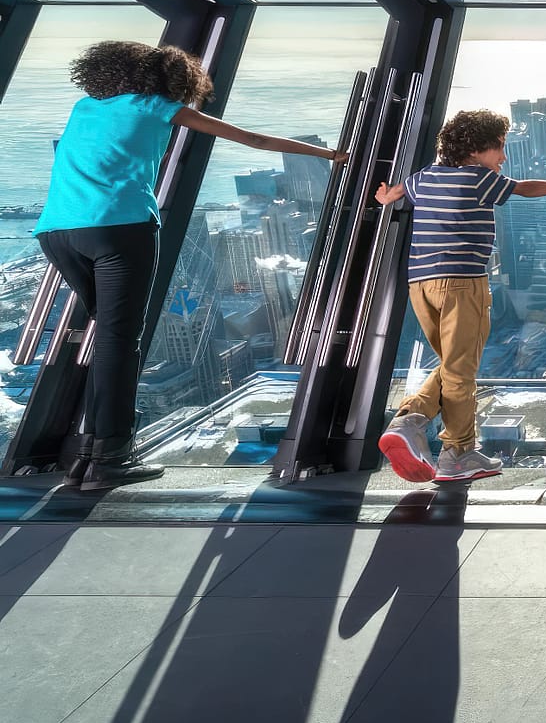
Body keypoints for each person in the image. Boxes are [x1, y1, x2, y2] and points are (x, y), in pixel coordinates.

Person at [35, 40, 346, 492]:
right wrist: (328, 155)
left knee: (108, 337)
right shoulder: (157, 106)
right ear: (173, 81)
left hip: (57, 233)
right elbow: (251, 138)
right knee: (119, 342)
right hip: (118, 228)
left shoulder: (85, 107)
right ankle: (109, 457)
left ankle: (87, 455)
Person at [376, 110, 546, 483]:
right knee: (461, 373)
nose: (503, 158)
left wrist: (384, 196)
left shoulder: (423, 178)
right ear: (475, 150)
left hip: (421, 286)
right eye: (499, 148)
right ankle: (456, 452)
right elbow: (522, 188)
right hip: (461, 284)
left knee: (453, 365)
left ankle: (412, 423)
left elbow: (394, 195)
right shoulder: (478, 179)